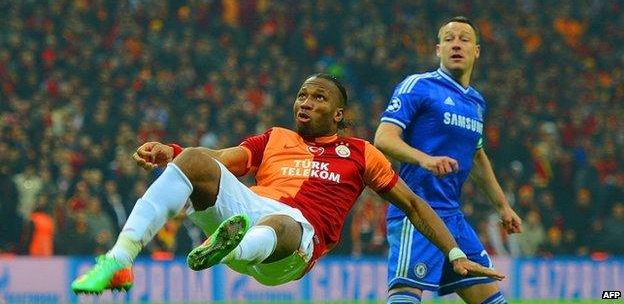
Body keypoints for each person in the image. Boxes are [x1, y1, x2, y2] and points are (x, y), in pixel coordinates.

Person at [71, 73, 504, 294]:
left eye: (318, 98)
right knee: (195, 159)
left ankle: (228, 246)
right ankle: (119, 260)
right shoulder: (274, 138)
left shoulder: (360, 153)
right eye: (302, 95)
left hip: (294, 245)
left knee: (283, 223)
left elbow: (413, 204)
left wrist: (454, 253)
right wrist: (171, 153)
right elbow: (223, 161)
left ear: (338, 115)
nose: (305, 102)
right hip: (247, 212)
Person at [374, 17, 522, 304]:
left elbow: (477, 157)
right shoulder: (418, 85)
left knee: (493, 300)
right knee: (406, 295)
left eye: (464, 39)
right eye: (449, 38)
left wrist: (503, 206)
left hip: (453, 217)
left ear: (476, 51)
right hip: (415, 210)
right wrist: (424, 159)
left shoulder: (476, 102)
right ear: (438, 49)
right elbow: (384, 137)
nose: (456, 44)